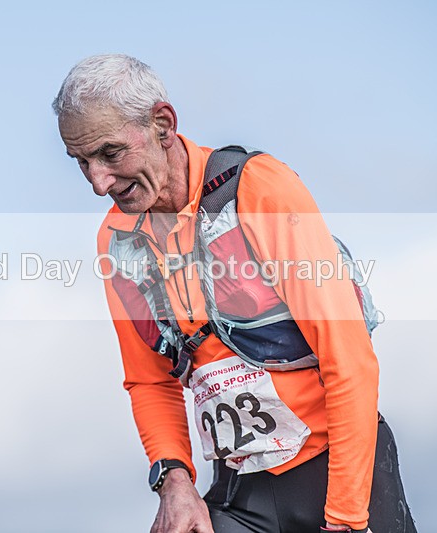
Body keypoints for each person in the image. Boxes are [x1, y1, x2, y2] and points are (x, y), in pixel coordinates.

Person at [52, 54, 417, 533]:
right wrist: (175, 481)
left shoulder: (259, 191)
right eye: (82, 162)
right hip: (238, 489)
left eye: (111, 153)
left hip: (339, 472)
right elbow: (150, 381)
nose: (99, 183)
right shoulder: (116, 239)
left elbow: (349, 359)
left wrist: (347, 519)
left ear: (163, 124)